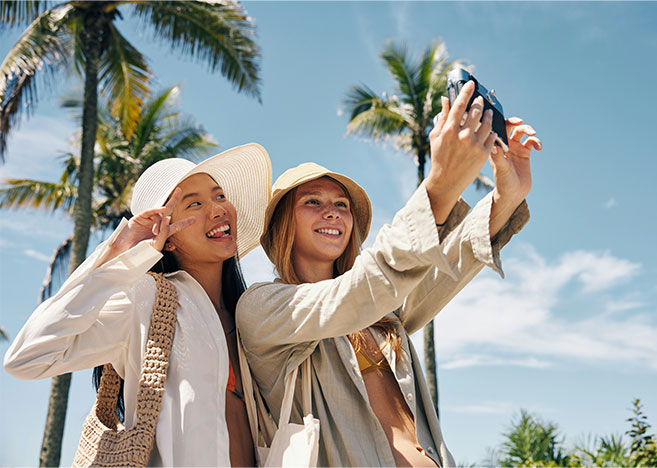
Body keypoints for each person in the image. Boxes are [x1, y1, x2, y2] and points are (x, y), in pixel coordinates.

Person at [236, 81, 542, 466]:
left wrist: (507, 195)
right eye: (312, 202)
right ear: (283, 225)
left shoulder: (384, 316)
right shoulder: (263, 309)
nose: (332, 212)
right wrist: (442, 183)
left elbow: (450, 263)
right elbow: (356, 293)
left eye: (342, 205)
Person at [4, 143, 272, 467]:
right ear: (167, 236)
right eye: (194, 204)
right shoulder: (144, 300)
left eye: (218, 196)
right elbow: (27, 357)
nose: (217, 210)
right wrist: (121, 249)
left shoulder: (249, 313)